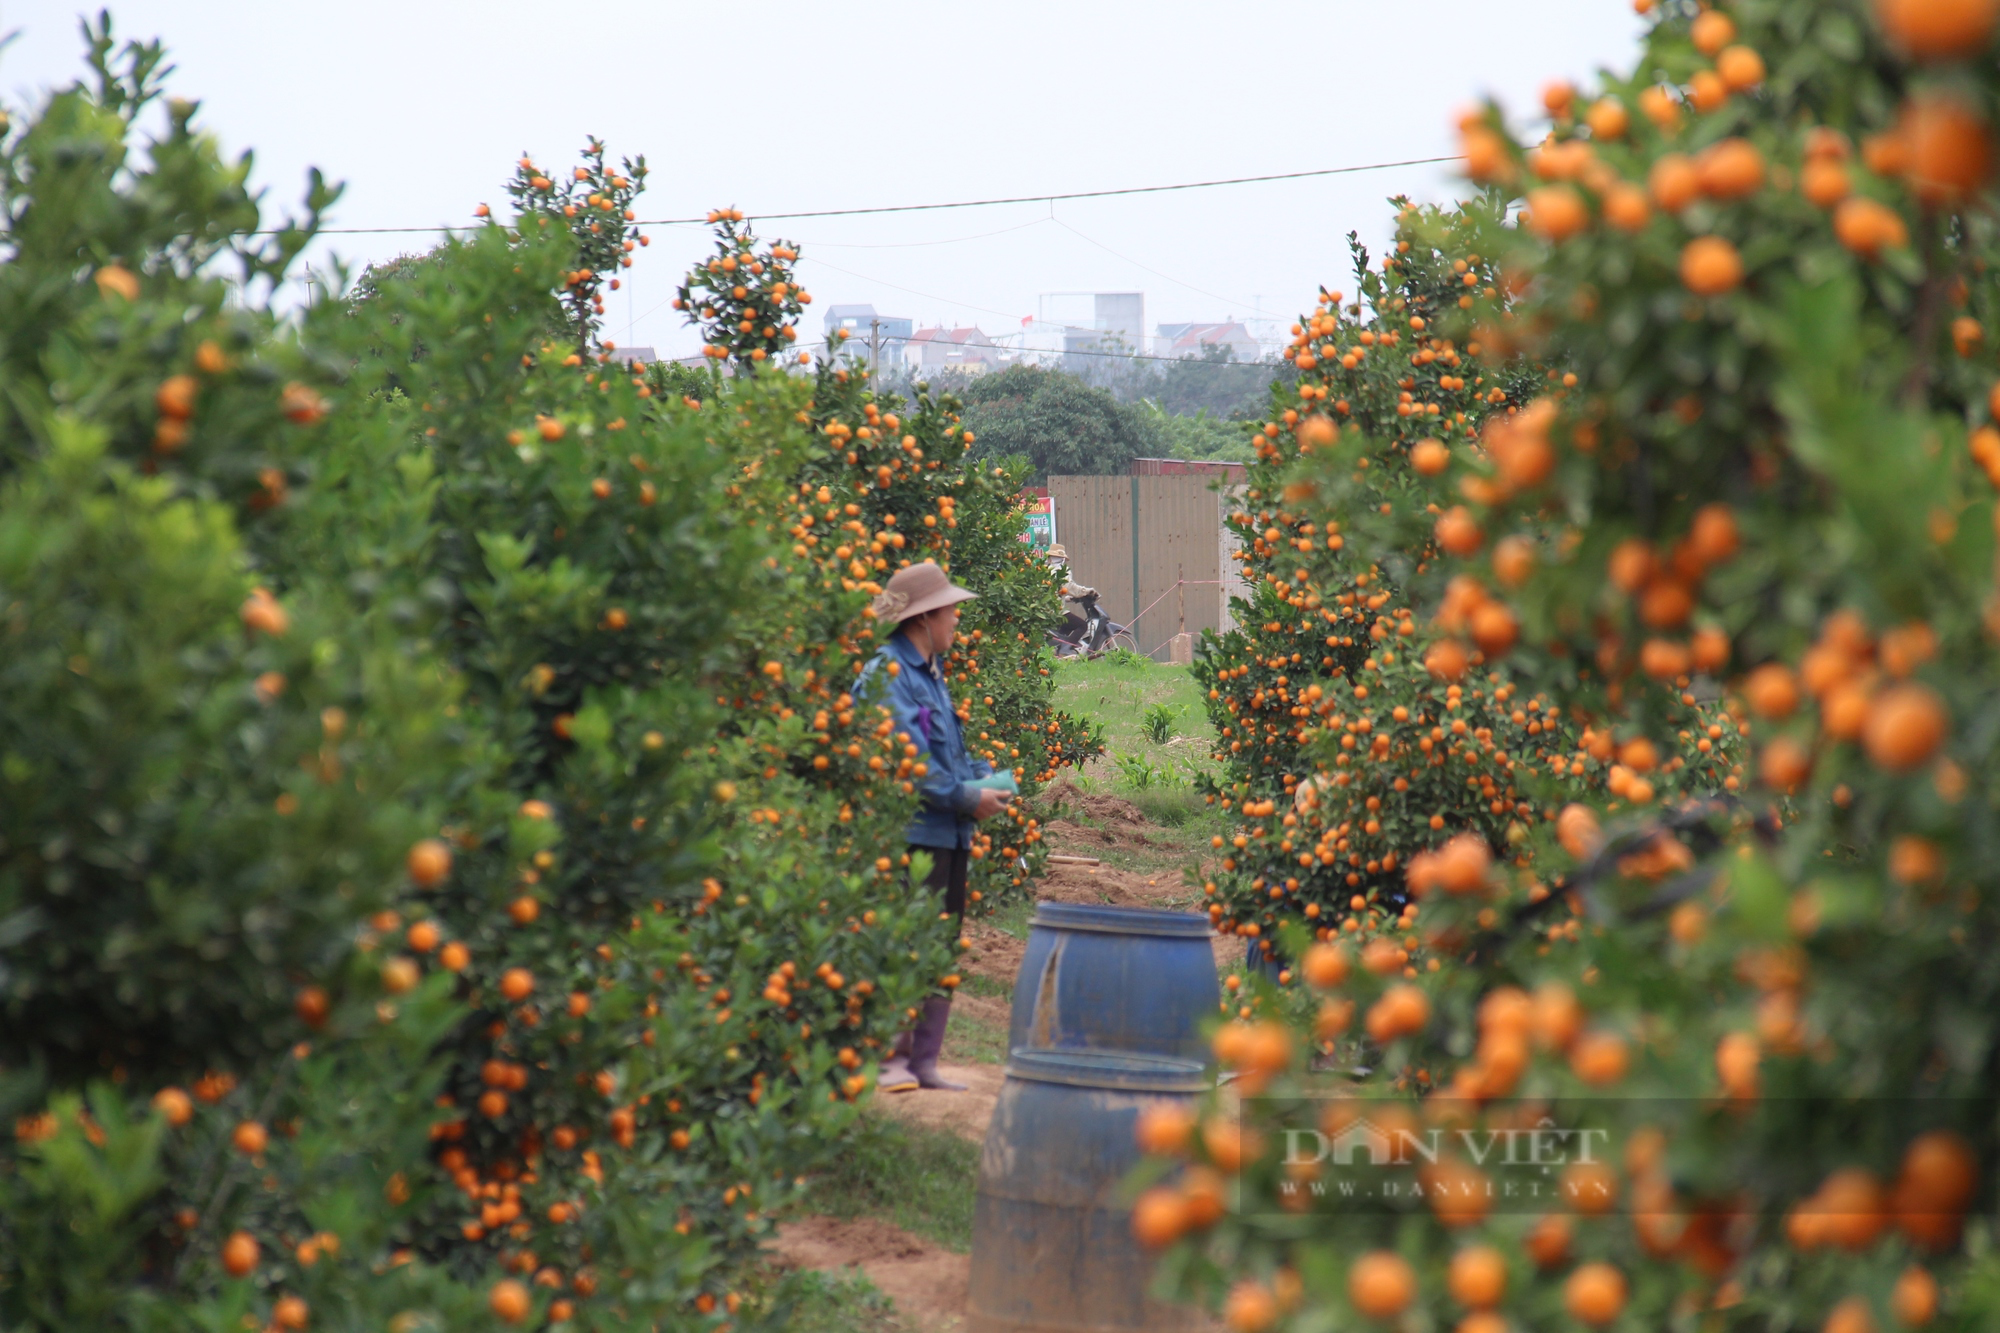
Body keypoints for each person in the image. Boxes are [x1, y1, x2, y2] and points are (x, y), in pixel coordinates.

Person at [856, 561, 1011, 1092]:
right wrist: (967, 796)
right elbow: (908, 764)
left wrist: (984, 782)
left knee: (941, 946)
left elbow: (944, 754)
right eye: (950, 611)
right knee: (906, 943)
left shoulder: (930, 674)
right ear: (923, 618)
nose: (956, 621)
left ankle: (923, 1060)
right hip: (910, 838)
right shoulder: (887, 675)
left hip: (948, 834)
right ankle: (888, 1060)